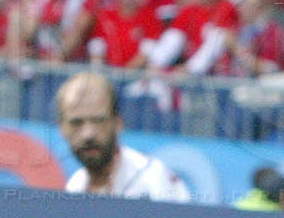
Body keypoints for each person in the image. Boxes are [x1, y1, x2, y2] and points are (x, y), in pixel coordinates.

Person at [56, 73, 191, 201]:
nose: (88, 134)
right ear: (62, 128)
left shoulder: (153, 179)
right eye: (76, 123)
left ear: (118, 122)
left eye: (98, 121)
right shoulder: (74, 187)